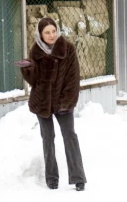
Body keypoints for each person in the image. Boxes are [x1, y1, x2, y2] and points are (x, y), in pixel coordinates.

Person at [15, 17, 87, 191]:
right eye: (47, 32)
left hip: (63, 102)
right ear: (40, 34)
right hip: (43, 102)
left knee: (70, 136)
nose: (51, 35)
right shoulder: (36, 51)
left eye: (53, 31)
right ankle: (52, 178)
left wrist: (66, 101)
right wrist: (28, 68)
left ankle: (78, 178)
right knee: (48, 139)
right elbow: (35, 81)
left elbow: (73, 78)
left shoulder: (67, 48)